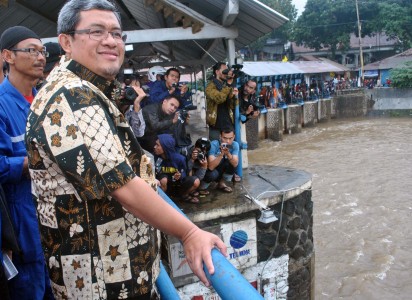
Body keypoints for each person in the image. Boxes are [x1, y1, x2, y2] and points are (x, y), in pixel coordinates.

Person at [25, 1, 226, 299]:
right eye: (96, 31)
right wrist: (189, 233)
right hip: (102, 280)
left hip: (119, 272)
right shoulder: (69, 97)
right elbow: (123, 186)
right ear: (66, 41)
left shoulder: (89, 88)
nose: (110, 40)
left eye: (117, 34)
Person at [0, 25, 53, 300]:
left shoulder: (46, 104)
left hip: (53, 219)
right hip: (22, 221)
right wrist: (33, 162)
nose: (40, 57)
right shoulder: (1, 105)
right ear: (8, 56)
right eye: (31, 50)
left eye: (42, 51)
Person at [153, 134, 200, 203]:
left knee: (196, 181)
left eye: (158, 145)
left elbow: (185, 174)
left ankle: (184, 196)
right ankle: (162, 201)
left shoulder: (180, 159)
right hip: (163, 187)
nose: (154, 147)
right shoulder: (154, 157)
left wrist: (179, 176)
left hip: (177, 186)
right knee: (163, 180)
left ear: (165, 147)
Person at [205, 62, 238, 141]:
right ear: (217, 72)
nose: (226, 73)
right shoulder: (210, 87)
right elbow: (219, 99)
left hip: (228, 125)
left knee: (229, 151)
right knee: (215, 150)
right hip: (216, 126)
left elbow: (233, 105)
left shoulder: (226, 86)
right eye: (224, 71)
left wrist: (235, 97)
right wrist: (228, 86)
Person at [203, 128, 239, 193]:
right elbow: (210, 167)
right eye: (225, 138)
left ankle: (221, 183)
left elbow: (235, 164)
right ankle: (202, 187)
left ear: (234, 137)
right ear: (220, 136)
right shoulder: (214, 144)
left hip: (221, 167)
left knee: (232, 162)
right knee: (212, 175)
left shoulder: (235, 144)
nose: (227, 141)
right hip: (210, 171)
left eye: (230, 138)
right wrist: (221, 154)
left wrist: (228, 153)